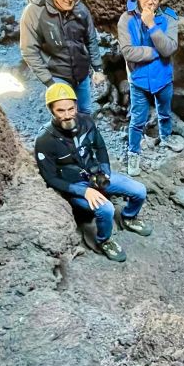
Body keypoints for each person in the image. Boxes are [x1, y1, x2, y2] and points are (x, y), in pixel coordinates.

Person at [34, 83, 152, 262]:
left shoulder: (86, 121)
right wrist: (83, 191)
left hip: (96, 175)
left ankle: (128, 217)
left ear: (76, 105)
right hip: (75, 186)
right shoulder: (45, 140)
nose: (67, 115)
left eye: (70, 108)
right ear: (51, 110)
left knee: (139, 190)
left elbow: (100, 147)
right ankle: (103, 240)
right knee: (106, 209)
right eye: (60, 110)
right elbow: (50, 177)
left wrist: (105, 170)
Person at [20, 0, 106, 115]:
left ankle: (86, 139)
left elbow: (91, 39)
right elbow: (29, 50)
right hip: (57, 75)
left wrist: (97, 69)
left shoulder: (81, 10)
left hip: (81, 74)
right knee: (65, 116)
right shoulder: (35, 12)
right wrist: (49, 81)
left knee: (85, 112)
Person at [117, 0, 179, 176]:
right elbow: (127, 51)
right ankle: (133, 153)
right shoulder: (126, 19)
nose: (151, 1)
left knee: (165, 112)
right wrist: (153, 53)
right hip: (139, 80)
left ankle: (166, 138)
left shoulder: (168, 18)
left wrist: (152, 25)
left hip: (163, 79)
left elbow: (169, 49)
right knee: (137, 120)